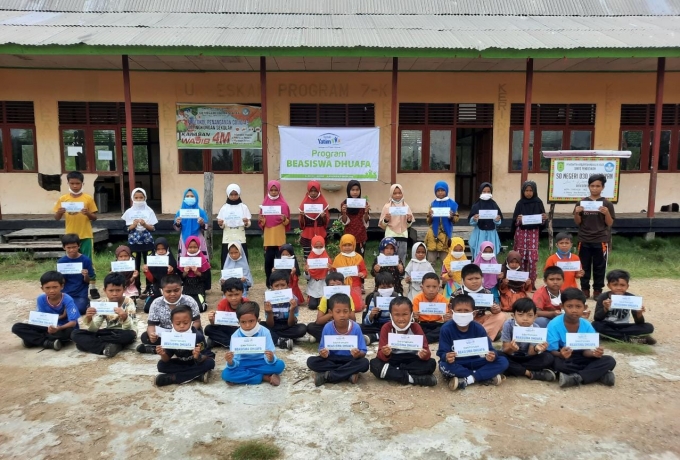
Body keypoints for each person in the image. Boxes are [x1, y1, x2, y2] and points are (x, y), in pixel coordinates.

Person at [548, 288, 617, 388]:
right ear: (562, 306)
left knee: (610, 360)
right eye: (569, 306)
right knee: (555, 363)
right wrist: (561, 354)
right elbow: (552, 350)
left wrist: (594, 353)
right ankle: (598, 374)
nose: (574, 310)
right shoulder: (554, 324)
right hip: (564, 357)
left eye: (578, 306)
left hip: (583, 356)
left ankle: (576, 378)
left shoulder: (587, 325)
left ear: (584, 307)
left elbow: (586, 351)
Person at [438, 295, 509, 391]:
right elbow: (442, 352)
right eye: (459, 310)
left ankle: (468, 379)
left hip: (477, 361)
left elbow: (490, 350)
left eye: (466, 311)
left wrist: (492, 356)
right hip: (457, 363)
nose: (462, 314)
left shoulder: (478, 328)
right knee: (443, 366)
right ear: (452, 311)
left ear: (474, 313)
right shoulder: (446, 329)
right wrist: (446, 357)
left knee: (503, 361)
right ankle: (484, 376)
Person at [370, 297, 437, 386]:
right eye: (397, 315)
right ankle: (412, 379)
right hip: (393, 358)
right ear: (391, 315)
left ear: (411, 314)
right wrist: (385, 353)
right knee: (374, 364)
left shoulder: (416, 327)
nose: (401, 318)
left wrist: (423, 355)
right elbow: (380, 355)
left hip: (412, 359)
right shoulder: (386, 327)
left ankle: (396, 372)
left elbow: (427, 353)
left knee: (431, 364)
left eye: (405, 314)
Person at [53, 170, 100, 299]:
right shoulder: (63, 199)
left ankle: (93, 287)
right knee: (70, 262)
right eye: (72, 183)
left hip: (85, 234)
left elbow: (94, 217)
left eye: (77, 183)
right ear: (68, 183)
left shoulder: (87, 198)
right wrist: (60, 212)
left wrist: (88, 213)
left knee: (88, 261)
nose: (75, 186)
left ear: (82, 184)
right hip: (70, 235)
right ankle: (70, 287)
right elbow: (56, 217)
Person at [307, 293, 369, 386]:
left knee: (364, 363)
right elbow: (322, 349)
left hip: (350, 359)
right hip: (332, 359)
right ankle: (348, 374)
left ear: (350, 312)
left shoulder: (355, 327)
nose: (342, 315)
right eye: (338, 311)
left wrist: (358, 354)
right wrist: (323, 353)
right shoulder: (327, 327)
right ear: (331, 312)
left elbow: (363, 352)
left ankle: (328, 376)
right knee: (311, 361)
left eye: (345, 311)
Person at [71, 272, 137, 357]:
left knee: (129, 335)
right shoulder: (103, 303)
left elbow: (129, 328)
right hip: (109, 332)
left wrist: (124, 317)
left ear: (124, 289)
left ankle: (92, 344)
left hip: (124, 332)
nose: (114, 293)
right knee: (75, 333)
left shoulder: (128, 302)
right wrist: (89, 318)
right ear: (104, 290)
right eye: (111, 290)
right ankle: (108, 346)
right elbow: (94, 329)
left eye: (118, 290)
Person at [11, 271, 80, 350]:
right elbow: (41, 319)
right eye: (47, 288)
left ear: (62, 286)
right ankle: (47, 342)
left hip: (62, 328)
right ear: (42, 288)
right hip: (47, 327)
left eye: (55, 287)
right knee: (16, 327)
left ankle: (32, 340)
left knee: (70, 332)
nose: (51, 291)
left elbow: (73, 322)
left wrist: (58, 328)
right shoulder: (41, 299)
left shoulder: (67, 299)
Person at [222, 302, 286, 386]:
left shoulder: (264, 332)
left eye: (251, 321)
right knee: (226, 374)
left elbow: (270, 352)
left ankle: (243, 377)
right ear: (238, 322)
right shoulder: (235, 336)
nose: (247, 325)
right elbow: (236, 360)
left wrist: (270, 358)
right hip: (243, 363)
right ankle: (265, 377)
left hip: (262, 362)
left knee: (280, 365)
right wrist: (230, 362)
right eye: (243, 322)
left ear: (257, 320)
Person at [573, 174, 615, 299]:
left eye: (598, 186)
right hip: (584, 239)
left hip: (601, 239)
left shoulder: (607, 203)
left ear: (602, 187)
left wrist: (606, 213)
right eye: (592, 186)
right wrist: (577, 213)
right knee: (583, 266)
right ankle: (585, 289)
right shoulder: (581, 202)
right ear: (588, 186)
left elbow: (610, 223)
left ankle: (598, 290)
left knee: (599, 266)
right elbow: (578, 222)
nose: (595, 188)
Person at [137, 274, 202, 354]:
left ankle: (159, 350)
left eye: (176, 290)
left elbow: (197, 321)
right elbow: (151, 325)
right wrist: (152, 334)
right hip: (166, 334)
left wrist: (187, 331)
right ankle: (178, 349)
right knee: (145, 336)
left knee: (198, 336)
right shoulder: (156, 303)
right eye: (168, 291)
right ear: (161, 291)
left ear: (181, 289)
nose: (172, 294)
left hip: (186, 331)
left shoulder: (189, 301)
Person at [154, 305, 215, 387]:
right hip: (181, 362)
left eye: (186, 323)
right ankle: (198, 375)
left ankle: (174, 377)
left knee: (210, 363)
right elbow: (166, 358)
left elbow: (205, 355)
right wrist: (162, 354)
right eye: (178, 323)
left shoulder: (197, 336)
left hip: (195, 362)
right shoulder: (170, 336)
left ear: (191, 322)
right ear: (172, 323)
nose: (182, 326)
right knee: (161, 365)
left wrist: (197, 356)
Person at [593, 270, 656, 345]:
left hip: (624, 326)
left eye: (622, 285)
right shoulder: (603, 297)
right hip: (608, 325)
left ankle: (610, 337)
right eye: (615, 285)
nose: (619, 288)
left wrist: (639, 314)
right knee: (595, 325)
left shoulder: (632, 298)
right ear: (609, 285)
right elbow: (597, 318)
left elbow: (639, 322)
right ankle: (630, 339)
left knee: (649, 327)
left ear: (627, 286)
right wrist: (605, 308)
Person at [499, 298, 556, 382]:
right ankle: (530, 373)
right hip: (511, 356)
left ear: (535, 317)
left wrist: (537, 349)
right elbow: (506, 350)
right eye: (520, 315)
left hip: (527, 358)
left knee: (548, 357)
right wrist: (511, 348)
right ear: (513, 316)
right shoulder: (508, 325)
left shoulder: (536, 328)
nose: (525, 318)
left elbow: (530, 353)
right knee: (498, 355)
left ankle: (511, 369)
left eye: (529, 315)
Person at [450, 264, 505, 341]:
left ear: (482, 279)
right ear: (463, 281)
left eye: (477, 278)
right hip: (463, 321)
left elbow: (493, 309)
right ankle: (484, 336)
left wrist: (495, 309)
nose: (474, 281)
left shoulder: (487, 292)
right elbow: (451, 313)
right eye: (470, 279)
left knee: (501, 316)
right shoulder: (457, 294)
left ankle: (479, 337)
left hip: (480, 322)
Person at [121, 187, 157, 294]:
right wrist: (133, 225)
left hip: (148, 243)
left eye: (141, 197)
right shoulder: (129, 212)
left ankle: (150, 286)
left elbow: (154, 228)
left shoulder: (149, 211)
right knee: (134, 266)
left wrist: (145, 224)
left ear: (145, 198)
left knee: (149, 266)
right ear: (132, 198)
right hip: (134, 244)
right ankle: (136, 287)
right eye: (136, 197)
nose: (138, 200)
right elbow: (125, 229)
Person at [173, 188, 211, 290]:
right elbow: (177, 228)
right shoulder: (180, 212)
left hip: (197, 239)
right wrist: (177, 223)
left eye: (192, 196)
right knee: (184, 261)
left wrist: (202, 223)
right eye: (187, 196)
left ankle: (202, 283)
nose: (190, 198)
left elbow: (207, 227)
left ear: (196, 198)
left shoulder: (201, 212)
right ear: (184, 198)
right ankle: (185, 283)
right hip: (184, 240)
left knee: (200, 259)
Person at [511, 181, 546, 289]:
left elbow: (542, 222)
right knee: (520, 259)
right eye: (526, 190)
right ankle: (520, 283)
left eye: (531, 190)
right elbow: (514, 222)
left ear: (534, 191)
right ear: (523, 191)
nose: (528, 193)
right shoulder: (520, 203)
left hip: (533, 235)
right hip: (521, 235)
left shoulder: (538, 202)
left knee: (532, 260)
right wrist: (518, 219)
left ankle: (531, 283)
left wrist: (544, 218)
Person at [262, 270, 307, 350]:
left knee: (302, 328)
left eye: (283, 285)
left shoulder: (293, 299)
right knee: (261, 326)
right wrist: (269, 313)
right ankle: (282, 340)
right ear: (271, 287)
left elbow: (291, 324)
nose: (280, 288)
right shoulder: (268, 300)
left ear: (288, 285)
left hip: (287, 325)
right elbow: (270, 324)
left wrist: (292, 310)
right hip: (274, 324)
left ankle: (275, 337)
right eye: (276, 286)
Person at [306, 272, 357, 342]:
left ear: (343, 285)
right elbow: (318, 321)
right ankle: (340, 339)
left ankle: (326, 338)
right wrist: (330, 314)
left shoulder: (348, 297)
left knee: (358, 327)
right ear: (327, 287)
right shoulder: (325, 298)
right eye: (332, 285)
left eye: (339, 285)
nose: (335, 287)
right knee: (311, 327)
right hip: (329, 325)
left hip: (344, 325)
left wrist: (343, 313)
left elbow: (353, 319)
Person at [259, 180, 291, 288]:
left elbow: (287, 222)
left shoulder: (284, 204)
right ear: (268, 190)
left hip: (279, 237)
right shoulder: (264, 204)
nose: (273, 192)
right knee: (268, 261)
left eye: (275, 190)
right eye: (271, 190)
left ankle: (283, 283)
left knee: (281, 262)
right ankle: (269, 283)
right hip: (269, 239)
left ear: (279, 190)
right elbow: (261, 223)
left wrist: (284, 219)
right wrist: (262, 220)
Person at [340, 180, 371, 293]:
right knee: (348, 260)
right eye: (352, 190)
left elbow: (365, 221)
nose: (355, 192)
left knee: (359, 261)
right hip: (348, 237)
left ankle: (360, 284)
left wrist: (366, 212)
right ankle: (347, 282)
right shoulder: (344, 203)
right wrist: (343, 213)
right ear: (349, 191)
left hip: (361, 236)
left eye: (357, 190)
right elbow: (344, 222)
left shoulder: (363, 203)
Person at [205, 278, 248, 349]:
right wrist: (212, 320)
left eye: (236, 294)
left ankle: (217, 341)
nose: (234, 298)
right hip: (227, 328)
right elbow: (217, 324)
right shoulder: (222, 303)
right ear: (225, 294)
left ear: (242, 292)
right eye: (230, 295)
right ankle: (231, 343)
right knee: (208, 329)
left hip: (242, 329)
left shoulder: (247, 303)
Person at [57, 233, 94, 315]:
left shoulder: (86, 260)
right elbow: (61, 282)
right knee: (57, 309)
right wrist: (60, 277)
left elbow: (88, 281)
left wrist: (86, 275)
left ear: (79, 246)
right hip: (65, 293)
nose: (72, 250)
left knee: (80, 309)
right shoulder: (61, 262)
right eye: (68, 248)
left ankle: (86, 302)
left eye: (74, 247)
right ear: (64, 247)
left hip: (80, 294)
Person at [217, 184, 252, 268]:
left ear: (239, 194)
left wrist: (246, 222)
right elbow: (221, 224)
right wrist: (221, 223)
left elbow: (248, 223)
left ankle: (242, 277)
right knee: (226, 258)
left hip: (239, 234)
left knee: (241, 256)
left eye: (235, 194)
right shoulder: (224, 208)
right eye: (231, 194)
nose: (233, 196)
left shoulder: (243, 207)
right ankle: (226, 277)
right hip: (228, 236)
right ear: (228, 195)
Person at [425, 181, 459, 264]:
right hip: (433, 234)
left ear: (446, 191)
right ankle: (430, 276)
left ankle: (444, 277)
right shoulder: (432, 204)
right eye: (438, 190)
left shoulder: (452, 204)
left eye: (442, 190)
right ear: (435, 192)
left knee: (445, 261)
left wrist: (451, 217)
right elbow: (428, 221)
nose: (440, 192)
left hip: (445, 235)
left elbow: (456, 218)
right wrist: (430, 216)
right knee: (431, 261)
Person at [378, 184, 414, 264]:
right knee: (389, 259)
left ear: (402, 193)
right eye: (394, 193)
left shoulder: (406, 206)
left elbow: (408, 225)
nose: (397, 195)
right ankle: (388, 276)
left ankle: (400, 275)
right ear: (391, 194)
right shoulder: (387, 207)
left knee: (401, 259)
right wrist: (386, 220)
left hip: (403, 236)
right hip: (390, 236)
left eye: (399, 193)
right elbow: (382, 225)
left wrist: (408, 220)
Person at [332, 234, 368, 312]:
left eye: (349, 245)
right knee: (339, 307)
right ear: (341, 245)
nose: (347, 247)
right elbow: (333, 272)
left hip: (354, 285)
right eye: (344, 245)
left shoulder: (358, 257)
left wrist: (362, 274)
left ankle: (360, 301)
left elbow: (364, 271)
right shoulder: (337, 258)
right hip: (341, 285)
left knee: (357, 308)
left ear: (354, 245)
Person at [361, 272, 400, 345]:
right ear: (377, 288)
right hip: (377, 325)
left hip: (392, 325)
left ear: (393, 286)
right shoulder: (374, 299)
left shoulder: (398, 297)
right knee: (359, 327)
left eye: (389, 286)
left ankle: (374, 337)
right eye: (383, 287)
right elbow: (366, 321)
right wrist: (371, 315)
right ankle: (382, 335)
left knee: (399, 330)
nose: (386, 289)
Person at [412, 272, 451, 344]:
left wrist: (446, 318)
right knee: (414, 327)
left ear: (439, 288)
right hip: (422, 324)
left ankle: (424, 339)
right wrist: (415, 316)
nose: (431, 289)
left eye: (434, 287)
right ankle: (429, 338)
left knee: (446, 327)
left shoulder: (442, 299)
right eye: (428, 286)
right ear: (422, 287)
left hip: (437, 324)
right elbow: (415, 318)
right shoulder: (417, 299)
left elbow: (446, 316)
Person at [142, 237, 177, 313]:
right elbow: (152, 280)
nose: (161, 251)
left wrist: (170, 272)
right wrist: (146, 271)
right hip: (155, 288)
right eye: (158, 249)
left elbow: (175, 278)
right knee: (147, 309)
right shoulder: (152, 260)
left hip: (168, 288)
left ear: (167, 248)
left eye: (163, 249)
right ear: (155, 249)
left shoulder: (171, 260)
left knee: (172, 308)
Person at [468, 182, 502, 260]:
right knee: (479, 254)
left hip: (491, 234)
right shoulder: (476, 206)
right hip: (479, 234)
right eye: (484, 191)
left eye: (488, 192)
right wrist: (474, 219)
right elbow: (471, 222)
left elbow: (499, 221)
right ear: (480, 192)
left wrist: (497, 220)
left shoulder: (494, 205)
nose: (486, 193)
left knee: (491, 254)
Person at [177, 235, 210, 312]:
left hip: (198, 286)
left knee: (200, 308)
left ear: (199, 247)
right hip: (187, 286)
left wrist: (197, 273)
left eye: (195, 247)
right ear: (186, 247)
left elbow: (206, 277)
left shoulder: (203, 259)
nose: (192, 249)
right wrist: (185, 272)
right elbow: (180, 278)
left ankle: (203, 302)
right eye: (190, 247)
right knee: (182, 308)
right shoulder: (184, 259)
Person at [298, 180, 329, 260]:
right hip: (308, 233)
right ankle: (307, 271)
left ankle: (321, 271)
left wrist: (323, 217)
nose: (313, 193)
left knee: (320, 255)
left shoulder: (323, 203)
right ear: (308, 191)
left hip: (320, 232)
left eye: (315, 191)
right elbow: (302, 224)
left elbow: (326, 222)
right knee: (307, 256)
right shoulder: (304, 203)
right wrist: (302, 217)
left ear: (318, 191)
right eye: (311, 191)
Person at [304, 235, 332, 310]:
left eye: (321, 246)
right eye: (316, 247)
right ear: (312, 246)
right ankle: (311, 298)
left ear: (324, 246)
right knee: (312, 306)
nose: (319, 249)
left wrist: (330, 269)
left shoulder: (327, 260)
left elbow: (330, 277)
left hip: (324, 284)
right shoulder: (309, 259)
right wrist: (306, 272)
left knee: (324, 306)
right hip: (313, 285)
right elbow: (307, 277)